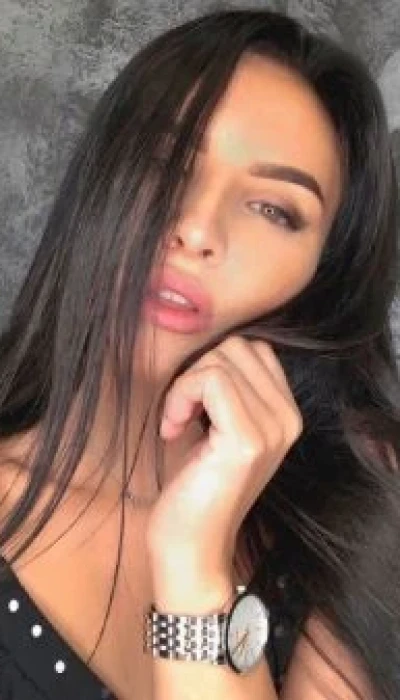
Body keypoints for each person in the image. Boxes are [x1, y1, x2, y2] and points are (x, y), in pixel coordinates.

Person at [0, 7, 399, 700]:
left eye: (274, 209)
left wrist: (195, 563)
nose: (196, 228)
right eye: (165, 163)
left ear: (322, 278)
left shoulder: (343, 531)